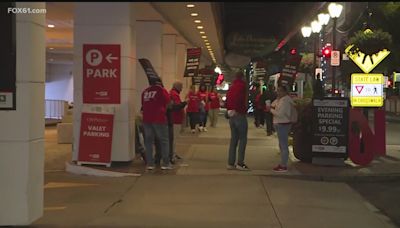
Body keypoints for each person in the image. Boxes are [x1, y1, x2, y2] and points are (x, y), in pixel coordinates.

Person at [141, 78, 173, 170]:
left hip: (147, 119)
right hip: (159, 118)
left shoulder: (145, 92)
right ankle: (166, 163)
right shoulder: (161, 90)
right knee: (164, 141)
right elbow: (169, 104)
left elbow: (143, 105)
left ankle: (150, 164)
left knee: (148, 142)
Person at [225, 71, 250, 171]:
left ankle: (230, 163)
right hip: (239, 114)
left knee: (233, 139)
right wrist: (241, 109)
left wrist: (230, 110)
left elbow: (227, 100)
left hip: (232, 115)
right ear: (243, 77)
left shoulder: (232, 86)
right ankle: (240, 162)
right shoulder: (242, 86)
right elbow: (240, 99)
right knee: (243, 139)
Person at [270, 85, 294, 172]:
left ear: (284, 92)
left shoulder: (286, 101)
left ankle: (284, 165)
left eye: (280, 91)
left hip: (283, 124)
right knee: (282, 144)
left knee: (283, 145)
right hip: (280, 123)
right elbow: (273, 104)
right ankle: (282, 163)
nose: (278, 92)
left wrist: (271, 110)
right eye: (278, 91)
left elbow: (280, 113)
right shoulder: (280, 100)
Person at [168, 81, 187, 163]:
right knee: (174, 139)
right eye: (181, 87)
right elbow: (177, 106)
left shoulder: (173, 93)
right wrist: (185, 102)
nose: (182, 89)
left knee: (174, 138)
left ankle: (173, 153)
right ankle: (172, 155)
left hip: (176, 119)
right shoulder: (174, 94)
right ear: (177, 87)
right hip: (175, 119)